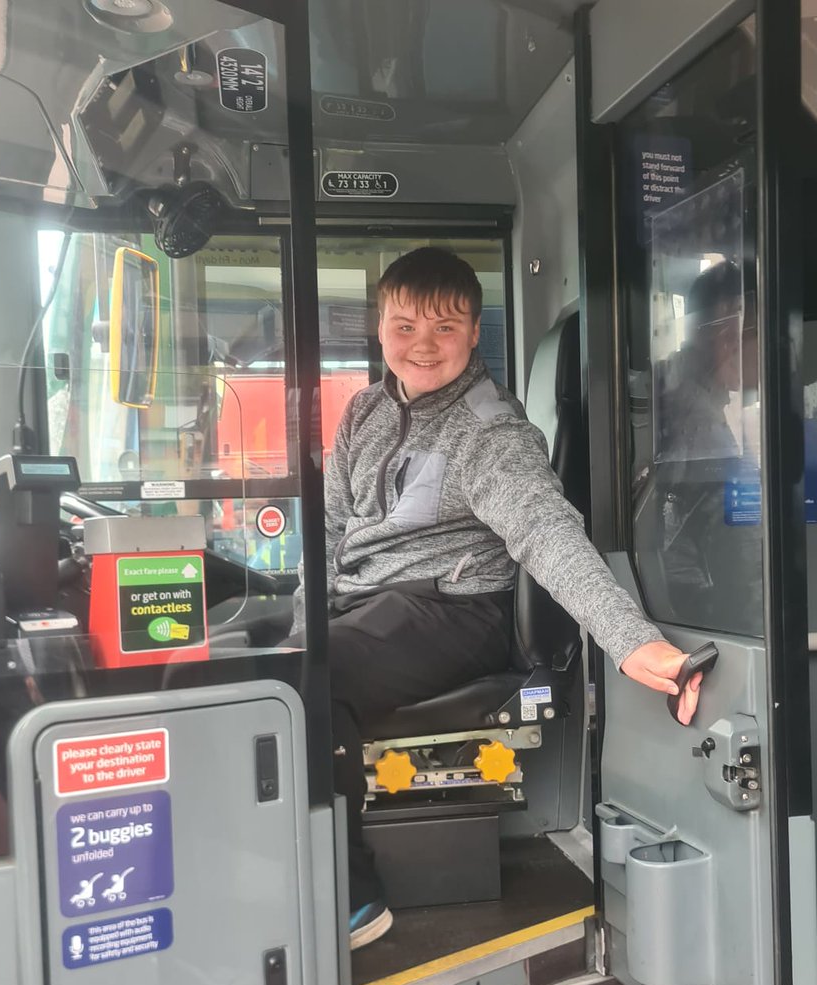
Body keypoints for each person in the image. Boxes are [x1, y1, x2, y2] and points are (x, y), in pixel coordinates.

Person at [289, 247, 705, 949]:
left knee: (309, 682)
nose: (423, 346)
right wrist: (303, 615)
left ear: (475, 332)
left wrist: (630, 639)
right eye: (405, 327)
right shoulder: (363, 410)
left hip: (457, 608)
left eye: (445, 329)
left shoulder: (492, 432)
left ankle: (352, 896)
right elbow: (329, 528)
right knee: (254, 656)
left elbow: (546, 531)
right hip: (368, 599)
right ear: (379, 327)